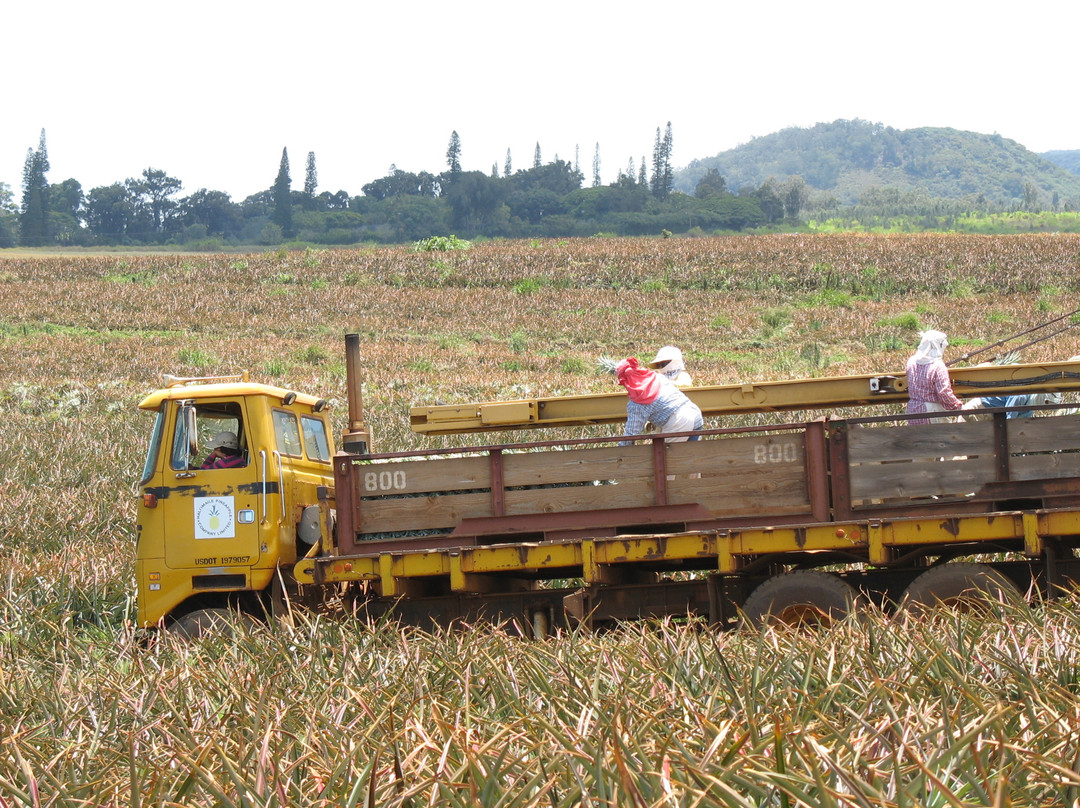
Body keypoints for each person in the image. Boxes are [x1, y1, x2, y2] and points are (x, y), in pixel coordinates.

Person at [615, 357, 702, 445]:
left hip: (679, 422)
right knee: (691, 455)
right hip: (694, 412)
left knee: (665, 456)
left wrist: (618, 452)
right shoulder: (657, 377)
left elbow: (631, 435)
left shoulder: (638, 402)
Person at [905, 330, 963, 424]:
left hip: (913, 411)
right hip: (932, 411)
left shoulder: (911, 362)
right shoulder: (938, 366)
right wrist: (958, 406)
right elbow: (944, 393)